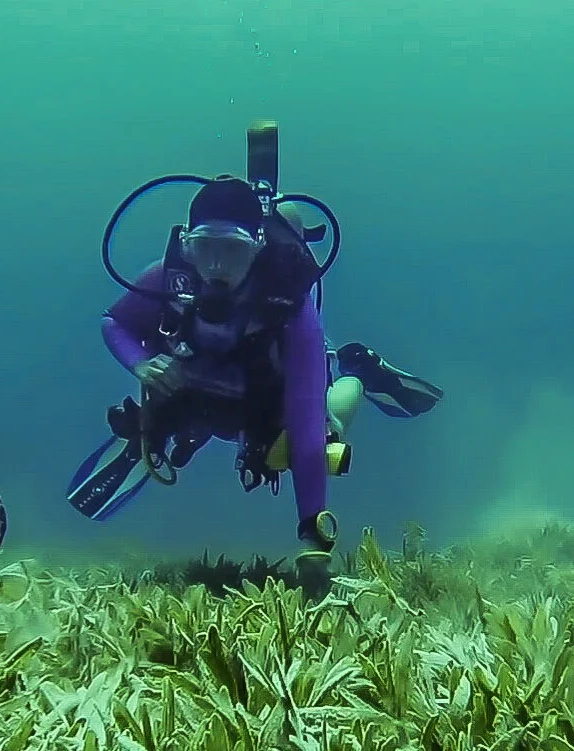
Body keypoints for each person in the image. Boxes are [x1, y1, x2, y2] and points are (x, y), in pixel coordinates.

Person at [66, 123, 443, 592]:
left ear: (259, 247)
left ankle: (359, 372)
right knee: (166, 418)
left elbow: (304, 422)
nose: (218, 267)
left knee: (324, 430)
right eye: (206, 249)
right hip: (197, 391)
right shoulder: (169, 276)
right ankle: (157, 432)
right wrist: (140, 365)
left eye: (233, 251)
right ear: (187, 245)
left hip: (270, 406)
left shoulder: (290, 306)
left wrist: (312, 534)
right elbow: (115, 321)